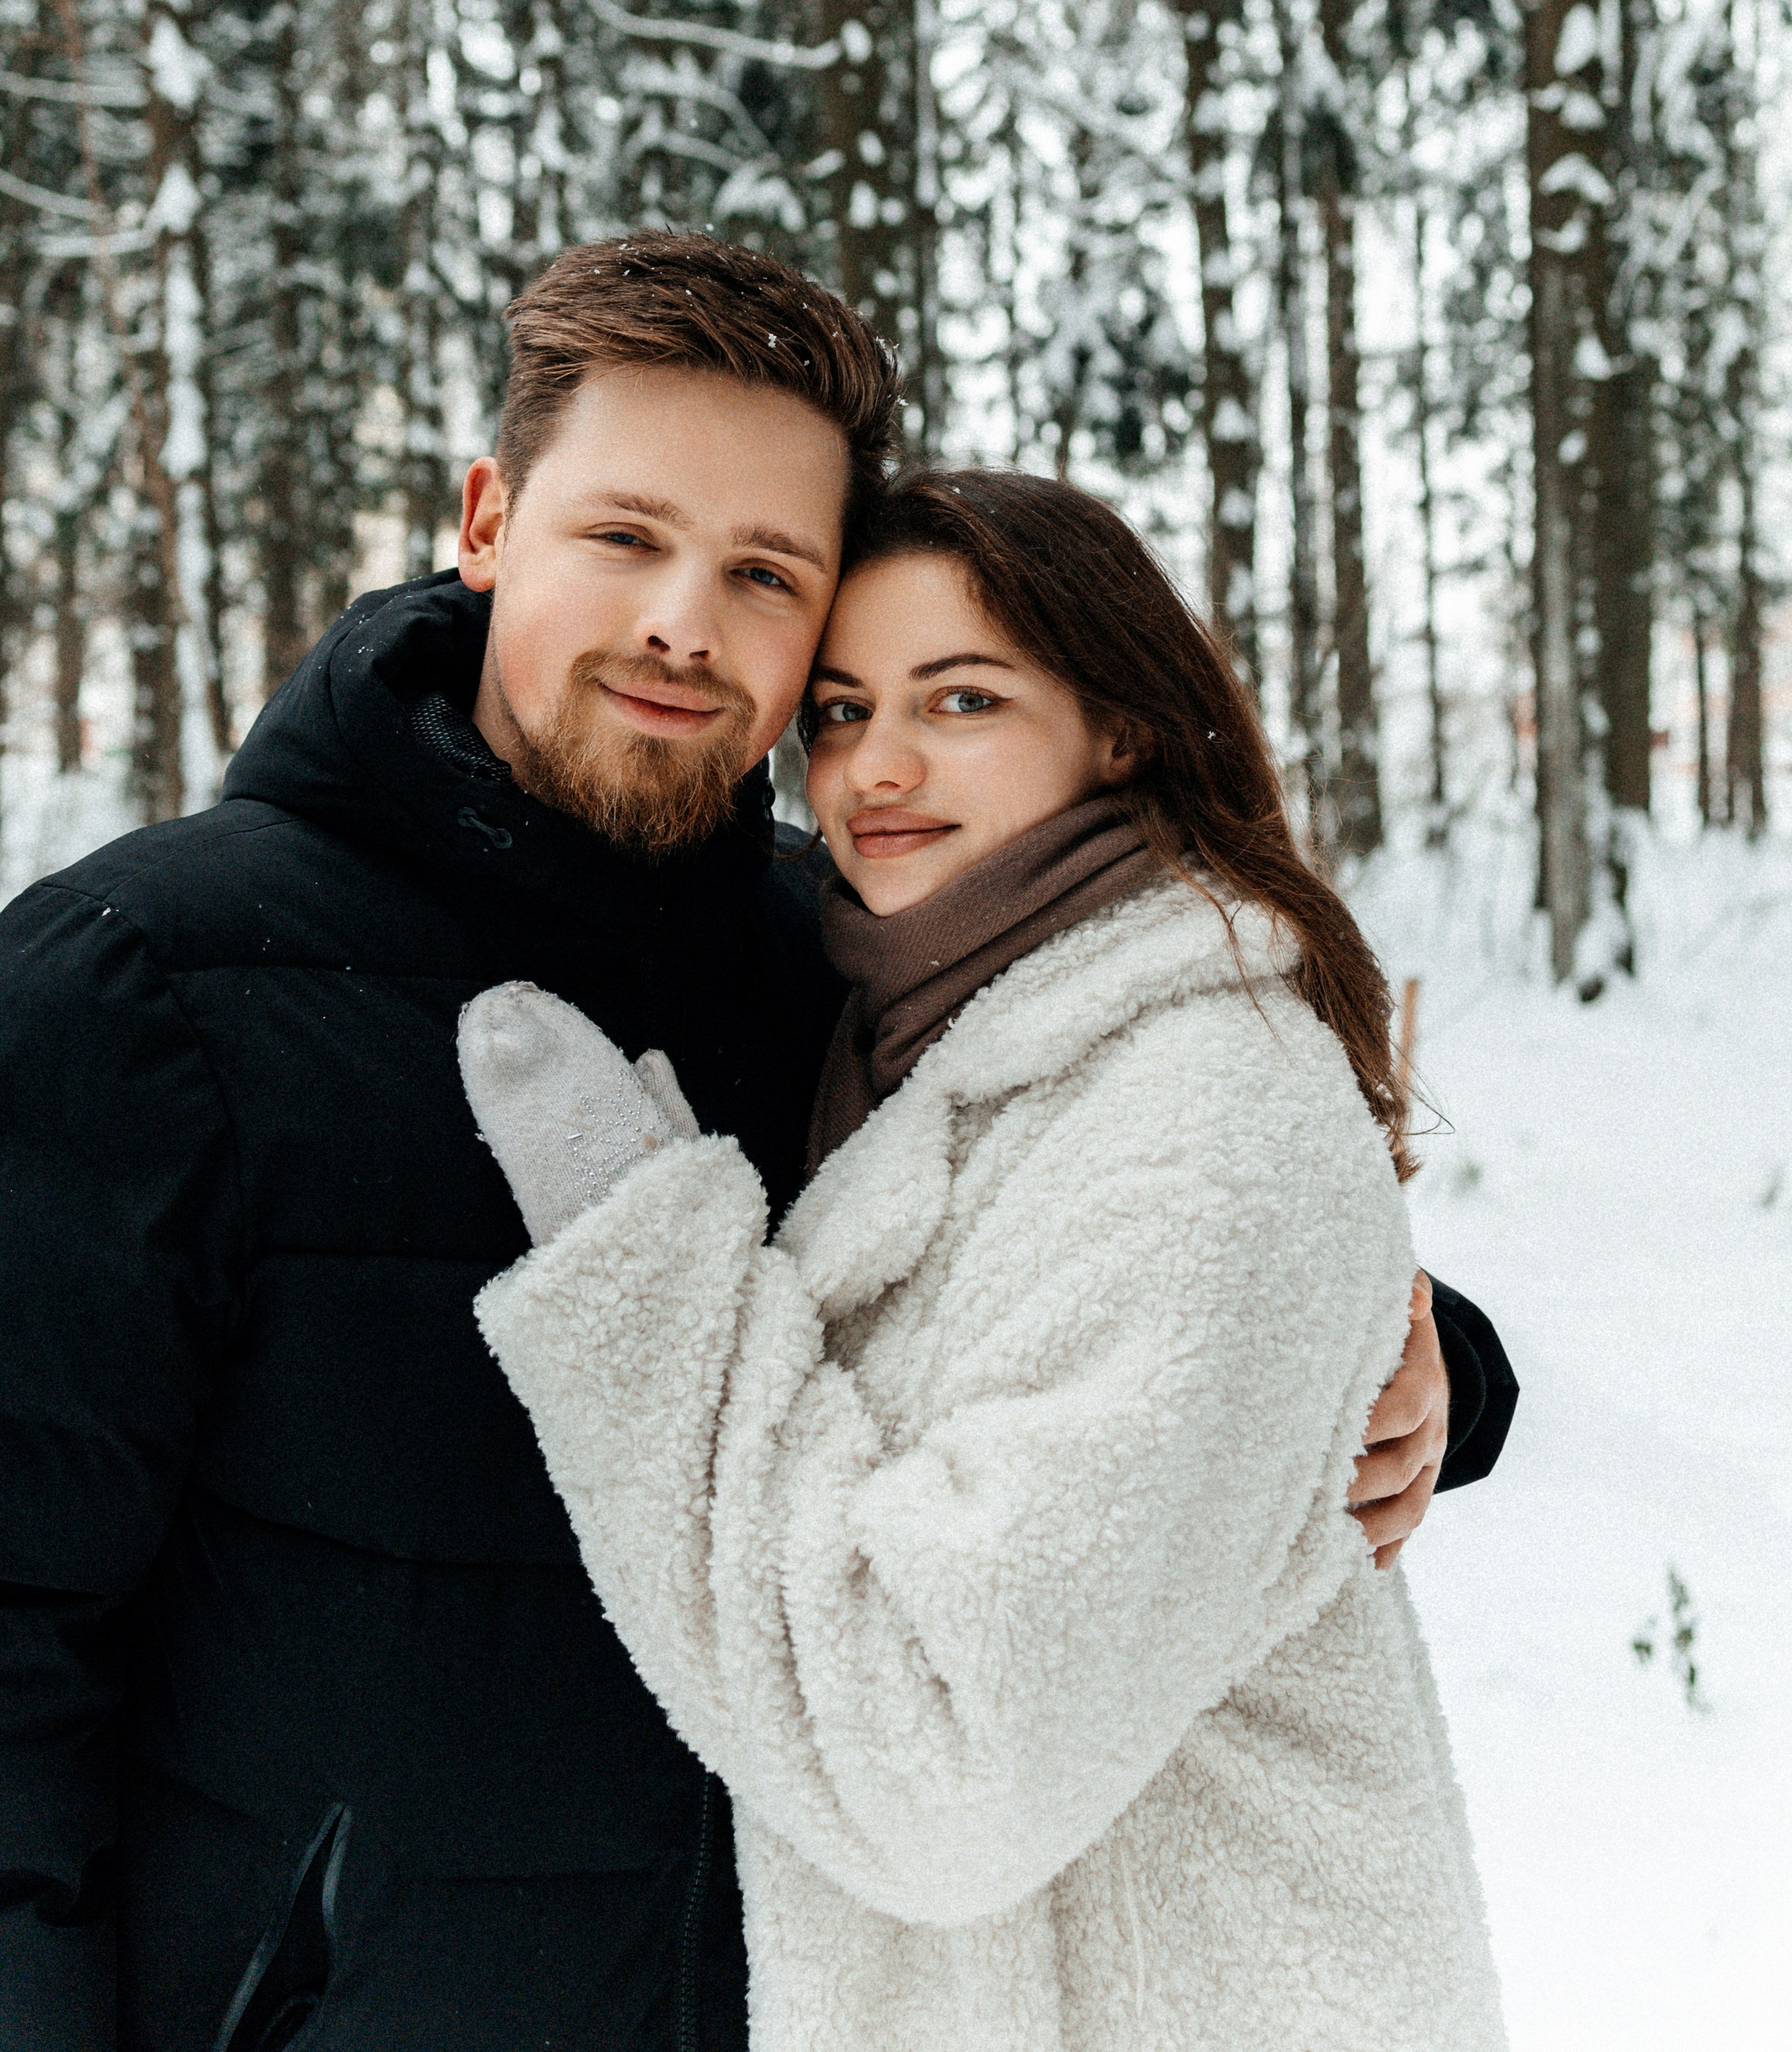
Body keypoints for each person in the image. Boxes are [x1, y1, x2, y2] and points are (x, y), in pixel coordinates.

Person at [0, 234, 1512, 2048]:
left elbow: (1100, 1270)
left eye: (765, 572)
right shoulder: (143, 987)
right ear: (487, 521)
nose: (683, 623)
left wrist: (1417, 1356)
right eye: (624, 536)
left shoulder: (845, 971)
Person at [461, 468, 1508, 2051]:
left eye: (960, 699)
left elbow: (945, 1764)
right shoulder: (919, 1021)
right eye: (840, 711)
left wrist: (652, 1287)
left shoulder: (1198, 1100)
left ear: (1122, 727)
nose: (875, 767)